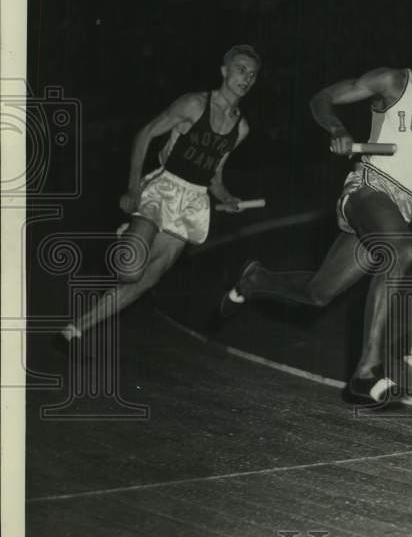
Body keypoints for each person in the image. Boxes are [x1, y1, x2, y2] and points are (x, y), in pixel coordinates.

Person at [218, 18, 412, 404]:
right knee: (402, 251)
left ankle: (256, 280)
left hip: (398, 208)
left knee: (319, 293)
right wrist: (336, 129)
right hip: (368, 189)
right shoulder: (391, 82)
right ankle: (366, 372)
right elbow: (321, 99)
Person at [54, 45, 260, 347]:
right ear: (225, 71)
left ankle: (76, 329)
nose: (247, 77)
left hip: (192, 202)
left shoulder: (241, 128)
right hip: (163, 188)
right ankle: (125, 239)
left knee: (149, 277)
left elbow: (214, 174)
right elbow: (146, 134)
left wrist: (226, 197)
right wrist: (133, 187)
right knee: (130, 267)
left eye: (253, 74)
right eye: (241, 69)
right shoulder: (193, 104)